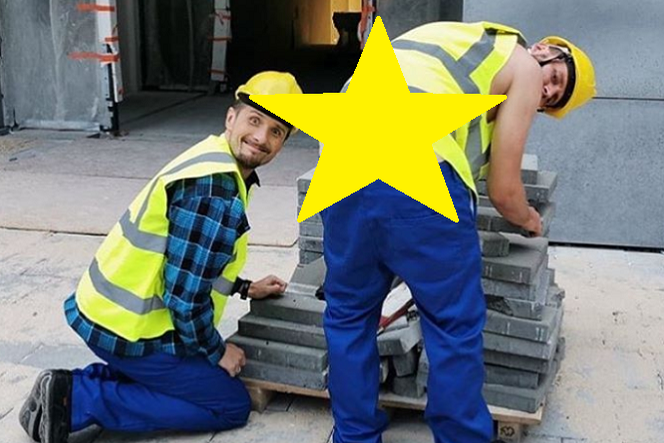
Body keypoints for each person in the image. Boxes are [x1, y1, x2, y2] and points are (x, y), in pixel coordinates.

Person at [320, 21, 596, 443]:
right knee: (452, 324)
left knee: (349, 315)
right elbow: (504, 191)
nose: (545, 91)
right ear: (544, 49)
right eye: (555, 78)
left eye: (551, 99)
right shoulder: (523, 65)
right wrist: (528, 219)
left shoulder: (455, 43)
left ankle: (353, 436)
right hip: (415, 172)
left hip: (342, 167)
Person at [18, 71, 303, 443]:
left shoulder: (214, 158)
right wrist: (217, 351)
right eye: (255, 120)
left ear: (282, 144)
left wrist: (244, 288)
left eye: (276, 131)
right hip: (126, 331)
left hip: (102, 313)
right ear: (231, 118)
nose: (261, 137)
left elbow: (190, 260)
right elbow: (185, 300)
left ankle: (66, 388)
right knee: (229, 403)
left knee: (192, 380)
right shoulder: (214, 189)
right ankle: (79, 400)